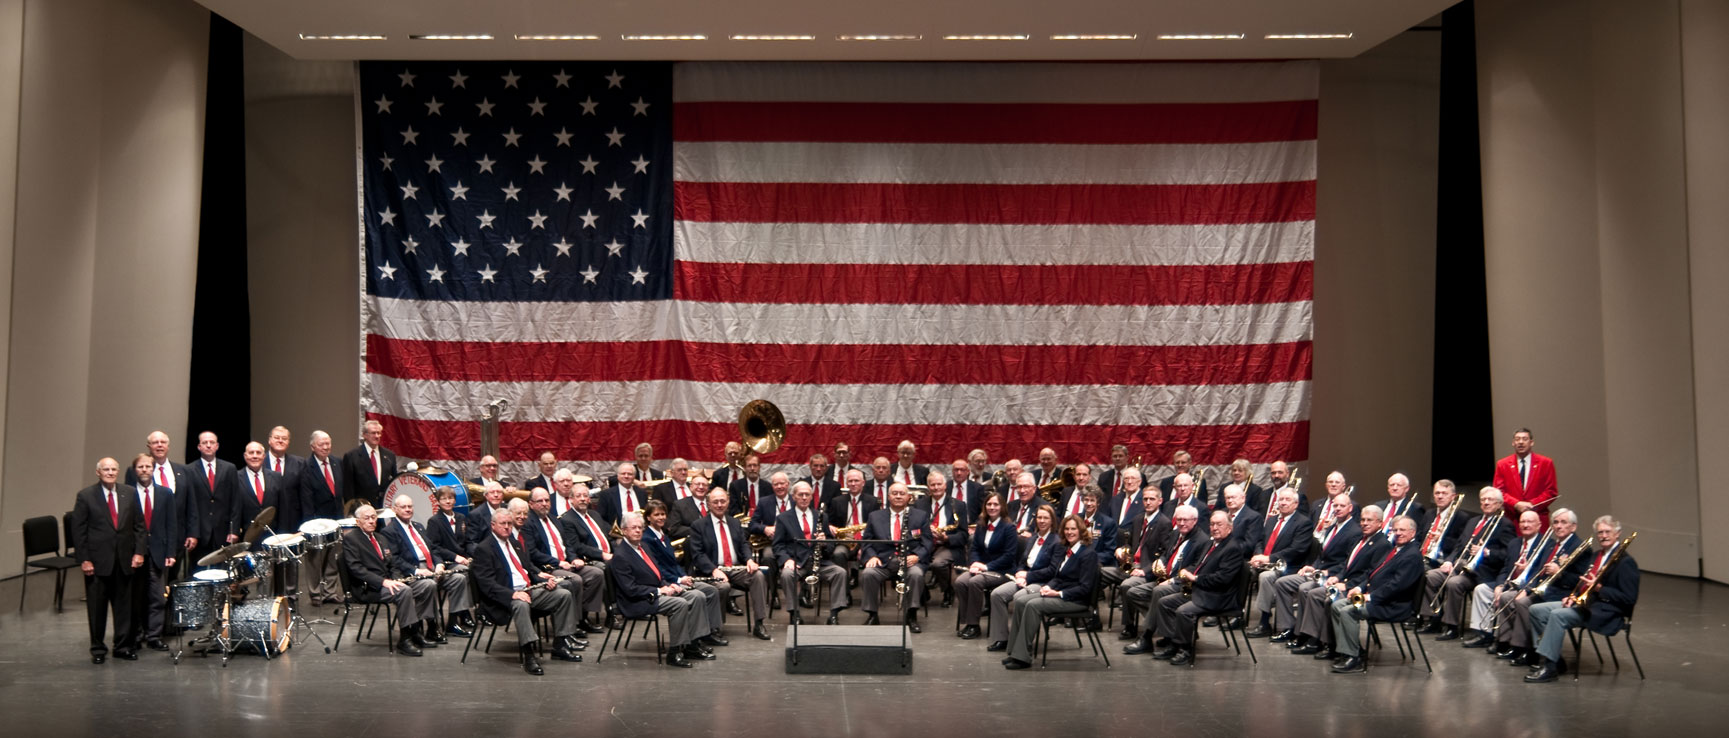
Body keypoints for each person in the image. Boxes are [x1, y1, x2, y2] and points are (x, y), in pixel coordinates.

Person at [469, 503, 582, 674]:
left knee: (563, 594)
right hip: (503, 598)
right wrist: (513, 594)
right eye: (503, 524)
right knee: (521, 604)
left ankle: (560, 644)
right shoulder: (484, 549)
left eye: (509, 523)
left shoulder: (514, 543)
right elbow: (487, 585)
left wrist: (543, 581)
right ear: (493, 526)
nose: (507, 527)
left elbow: (527, 570)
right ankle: (529, 654)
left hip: (528, 589)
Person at [1525, 515, 1639, 683]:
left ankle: (1549, 667)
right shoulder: (1596, 556)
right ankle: (1555, 659)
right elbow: (1583, 583)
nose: (1603, 536)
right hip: (1586, 604)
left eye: (1608, 532)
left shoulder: (1625, 562)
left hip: (1605, 612)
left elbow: (1629, 599)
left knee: (1557, 615)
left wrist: (1600, 588)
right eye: (1600, 532)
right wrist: (1573, 596)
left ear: (1618, 534)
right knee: (1536, 610)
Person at [609, 512, 711, 667]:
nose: (638, 531)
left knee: (697, 595)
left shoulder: (644, 547)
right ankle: (674, 651)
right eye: (634, 528)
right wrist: (659, 591)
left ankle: (692, 645)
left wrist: (667, 584)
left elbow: (656, 573)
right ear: (624, 531)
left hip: (653, 592)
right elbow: (630, 589)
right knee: (679, 604)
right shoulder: (621, 556)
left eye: (640, 528)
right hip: (636, 601)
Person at [1286, 505, 1389, 659]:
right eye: (1362, 520)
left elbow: (1371, 574)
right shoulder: (1360, 539)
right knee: (1312, 593)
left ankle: (1330, 644)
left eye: (1369, 520)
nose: (1364, 523)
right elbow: (1346, 564)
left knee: (1326, 598)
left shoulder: (1382, 544)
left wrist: (1346, 585)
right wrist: (1337, 577)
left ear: (1380, 523)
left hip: (1358, 589)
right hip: (1345, 582)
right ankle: (1312, 638)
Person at [1489, 508, 1589, 665]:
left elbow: (1581, 580)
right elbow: (1538, 572)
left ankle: (1529, 650)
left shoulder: (1580, 547)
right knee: (1511, 597)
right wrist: (1526, 590)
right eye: (1555, 522)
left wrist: (1560, 573)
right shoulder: (1552, 546)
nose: (1559, 526)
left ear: (1573, 527)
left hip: (1562, 593)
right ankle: (1514, 645)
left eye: (1564, 522)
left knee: (1523, 603)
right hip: (1545, 590)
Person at [1146, 510, 1245, 665]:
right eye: (1212, 524)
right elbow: (1199, 566)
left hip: (1218, 596)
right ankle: (1173, 642)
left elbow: (1223, 579)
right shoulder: (1211, 543)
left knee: (1183, 611)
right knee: (1164, 602)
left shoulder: (1232, 548)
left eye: (1219, 524)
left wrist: (1196, 578)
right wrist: (1187, 573)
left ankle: (1185, 649)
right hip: (1202, 590)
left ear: (1229, 528)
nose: (1214, 528)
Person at [1327, 515, 1424, 674]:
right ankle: (1352, 650)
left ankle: (1354, 659)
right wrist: (1359, 588)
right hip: (1377, 600)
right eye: (1395, 530)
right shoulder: (1396, 549)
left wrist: (1369, 597)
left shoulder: (1412, 555)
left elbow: (1396, 587)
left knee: (1348, 611)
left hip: (1391, 606)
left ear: (1413, 533)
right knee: (1338, 605)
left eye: (1402, 530)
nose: (1398, 533)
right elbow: (1373, 572)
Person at [1001, 514, 1100, 669]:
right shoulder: (1067, 549)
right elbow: (1059, 576)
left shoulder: (1088, 554)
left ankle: (1022, 658)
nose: (1069, 532)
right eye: (1066, 529)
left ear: (1081, 531)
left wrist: (1058, 594)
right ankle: (1015, 651)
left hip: (1075, 601)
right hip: (1060, 594)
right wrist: (1047, 586)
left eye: (1073, 529)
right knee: (1020, 601)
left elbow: (1085, 588)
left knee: (1033, 605)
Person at [71, 457, 145, 663]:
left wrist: (139, 552)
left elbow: (139, 525)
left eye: (114, 469)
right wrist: (84, 559)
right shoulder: (86, 496)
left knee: (124, 608)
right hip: (97, 562)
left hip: (124, 561)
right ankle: (98, 649)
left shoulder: (129, 493)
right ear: (98, 472)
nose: (110, 472)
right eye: (106, 469)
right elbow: (79, 532)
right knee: (97, 609)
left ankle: (122, 647)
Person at [1255, 493, 1357, 640]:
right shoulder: (1331, 528)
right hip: (1316, 571)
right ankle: (1287, 627)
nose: (1338, 509)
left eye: (1342, 506)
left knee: (1304, 589)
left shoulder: (1354, 531)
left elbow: (1348, 562)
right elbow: (1321, 556)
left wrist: (1328, 572)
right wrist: (1312, 567)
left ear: (1350, 508)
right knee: (1281, 583)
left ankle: (1305, 634)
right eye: (1335, 505)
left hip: (1331, 576)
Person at [341, 504, 439, 656]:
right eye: (366, 518)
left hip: (389, 582)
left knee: (428, 585)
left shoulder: (380, 537)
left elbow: (392, 564)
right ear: (358, 521)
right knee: (404, 591)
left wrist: (397, 579)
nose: (371, 521)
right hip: (368, 587)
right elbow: (356, 569)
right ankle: (405, 639)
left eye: (373, 517)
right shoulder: (351, 539)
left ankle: (416, 632)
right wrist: (383, 582)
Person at [1424, 487, 1514, 640]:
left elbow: (1508, 554)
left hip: (1484, 572)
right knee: (1431, 575)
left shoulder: (1505, 524)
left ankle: (1451, 626)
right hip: (1462, 567)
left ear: (1499, 504)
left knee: (1454, 583)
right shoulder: (1473, 521)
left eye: (1490, 500)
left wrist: (1487, 552)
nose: (1485, 502)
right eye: (1483, 499)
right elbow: (1459, 546)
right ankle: (1432, 619)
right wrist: (1449, 561)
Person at [1122, 505, 1209, 656]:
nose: (1181, 523)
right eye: (1179, 519)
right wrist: (1159, 563)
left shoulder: (1202, 540)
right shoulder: (1176, 534)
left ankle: (1147, 636)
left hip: (1183, 584)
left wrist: (1173, 580)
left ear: (1194, 520)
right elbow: (1166, 554)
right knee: (1133, 592)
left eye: (1185, 520)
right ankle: (1172, 629)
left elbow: (1195, 568)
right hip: (1164, 578)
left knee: (1159, 591)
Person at [384, 494, 474, 639]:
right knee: (429, 584)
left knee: (459, 578)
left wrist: (439, 564)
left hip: (432, 568)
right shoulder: (390, 531)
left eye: (410, 506)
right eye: (403, 507)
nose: (408, 510)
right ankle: (431, 626)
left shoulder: (418, 526)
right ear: (395, 509)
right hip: (412, 571)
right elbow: (395, 560)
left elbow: (433, 549)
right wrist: (417, 570)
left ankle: (452, 623)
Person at [689, 488, 771, 640]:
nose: (719, 505)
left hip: (735, 569)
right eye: (715, 502)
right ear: (708, 504)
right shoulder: (698, 525)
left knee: (758, 576)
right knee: (723, 587)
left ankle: (759, 623)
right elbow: (697, 554)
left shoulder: (734, 523)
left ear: (727, 503)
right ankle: (715, 627)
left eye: (723, 501)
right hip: (712, 571)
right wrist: (713, 570)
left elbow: (744, 545)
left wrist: (749, 560)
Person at [643, 500, 726, 648]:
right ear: (648, 517)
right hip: (667, 583)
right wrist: (678, 579)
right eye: (657, 515)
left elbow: (674, 564)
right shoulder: (647, 539)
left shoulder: (664, 535)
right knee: (698, 596)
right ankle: (696, 638)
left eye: (663, 514)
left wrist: (684, 576)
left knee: (712, 590)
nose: (661, 517)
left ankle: (710, 632)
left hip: (678, 578)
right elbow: (657, 568)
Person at [1462, 509, 1543, 650]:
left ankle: (1503, 640)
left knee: (1506, 597)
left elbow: (1540, 572)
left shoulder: (1545, 544)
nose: (1525, 524)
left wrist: (1526, 573)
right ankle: (1483, 634)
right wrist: (1499, 585)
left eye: (1530, 521)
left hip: (1527, 586)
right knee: (1481, 589)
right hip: (1510, 583)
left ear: (1539, 525)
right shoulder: (1514, 543)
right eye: (1523, 521)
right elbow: (1505, 569)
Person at [858, 483, 934, 631]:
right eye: (894, 493)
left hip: (910, 562)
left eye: (901, 493)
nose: (898, 496)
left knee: (916, 574)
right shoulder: (875, 516)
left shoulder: (920, 516)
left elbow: (928, 542)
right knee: (868, 573)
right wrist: (871, 557)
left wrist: (917, 556)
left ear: (909, 497)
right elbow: (866, 542)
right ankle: (872, 614)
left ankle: (911, 615)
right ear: (888, 496)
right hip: (884, 561)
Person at [985, 507, 1059, 652]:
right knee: (997, 595)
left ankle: (1022, 641)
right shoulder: (1032, 539)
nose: (1042, 521)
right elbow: (1021, 562)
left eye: (1045, 518)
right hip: (1025, 579)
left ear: (1052, 521)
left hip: (1042, 582)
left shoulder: (1057, 542)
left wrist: (1028, 576)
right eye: (1039, 518)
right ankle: (1002, 638)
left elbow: (1052, 570)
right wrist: (1020, 573)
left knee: (1020, 598)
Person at [772, 481, 845, 624]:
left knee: (840, 573)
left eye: (807, 495)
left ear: (812, 497)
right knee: (787, 574)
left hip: (819, 562)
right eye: (801, 495)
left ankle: (834, 614)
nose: (804, 498)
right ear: (794, 497)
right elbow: (777, 545)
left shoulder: (821, 516)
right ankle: (795, 613)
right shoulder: (783, 518)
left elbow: (831, 546)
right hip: (797, 562)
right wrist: (786, 560)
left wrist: (824, 542)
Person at [1244, 489, 1312, 639]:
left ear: (1296, 504)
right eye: (1281, 500)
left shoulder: (1303, 522)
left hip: (1289, 566)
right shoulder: (1271, 520)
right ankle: (1235, 613)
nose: (1283, 503)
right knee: (1241, 568)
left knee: (1266, 577)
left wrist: (1268, 559)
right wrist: (1258, 555)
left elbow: (1297, 550)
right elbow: (1260, 541)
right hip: (1265, 561)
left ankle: (1264, 621)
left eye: (1287, 500)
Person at [128, 454, 179, 652]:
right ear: (135, 470)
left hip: (158, 552)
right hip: (135, 553)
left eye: (148, 466)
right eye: (140, 466)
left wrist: (170, 552)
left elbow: (171, 525)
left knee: (157, 596)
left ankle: (154, 636)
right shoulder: (128, 493)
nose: (144, 470)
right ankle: (137, 634)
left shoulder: (165, 494)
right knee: (136, 596)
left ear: (153, 469)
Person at [1112, 488, 1175, 639]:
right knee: (1100, 571)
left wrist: (1145, 571)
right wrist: (1121, 550)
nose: (1147, 502)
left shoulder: (1164, 523)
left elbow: (1165, 555)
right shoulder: (1138, 518)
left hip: (1147, 568)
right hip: (1131, 564)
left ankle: (1130, 626)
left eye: (1152, 499)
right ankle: (1091, 617)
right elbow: (1132, 545)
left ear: (1160, 501)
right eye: (1145, 499)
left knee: (1127, 585)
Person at [954, 492, 1019, 639]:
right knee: (960, 582)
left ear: (1002, 507)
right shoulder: (981, 524)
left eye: (996, 504)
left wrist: (986, 567)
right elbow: (975, 548)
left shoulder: (1009, 528)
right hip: (982, 568)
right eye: (989, 504)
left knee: (975, 582)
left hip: (1003, 570)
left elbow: (1009, 557)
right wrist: (975, 563)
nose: (992, 507)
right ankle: (967, 620)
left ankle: (974, 625)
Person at [555, 478, 616, 633]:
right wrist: (603, 554)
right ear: (571, 499)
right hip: (588, 559)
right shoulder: (567, 519)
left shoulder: (594, 515)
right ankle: (609, 611)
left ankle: (633, 604)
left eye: (585, 496)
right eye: (579, 496)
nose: (583, 499)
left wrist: (618, 551)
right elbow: (577, 546)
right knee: (606, 567)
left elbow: (608, 537)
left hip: (606, 555)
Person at [299, 430, 346, 605]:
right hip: (316, 522)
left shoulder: (337, 462)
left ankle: (330, 592)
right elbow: (306, 498)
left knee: (333, 558)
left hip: (335, 520)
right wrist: (309, 525)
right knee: (315, 560)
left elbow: (339, 494)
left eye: (328, 443)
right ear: (313, 446)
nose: (326, 447)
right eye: (321, 444)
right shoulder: (306, 467)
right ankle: (316, 594)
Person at [917, 470, 969, 607]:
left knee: (937, 564)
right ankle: (923, 593)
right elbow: (913, 529)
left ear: (945, 485)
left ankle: (948, 590)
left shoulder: (958, 505)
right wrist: (926, 531)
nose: (936, 488)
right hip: (924, 544)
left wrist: (946, 537)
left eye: (939, 484)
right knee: (910, 562)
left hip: (947, 545)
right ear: (928, 487)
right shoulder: (919, 505)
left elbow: (964, 534)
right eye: (932, 485)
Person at [186, 431, 239, 567]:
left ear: (217, 446)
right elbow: (189, 504)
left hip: (223, 531)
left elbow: (235, 501)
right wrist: (192, 532)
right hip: (200, 532)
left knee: (223, 573)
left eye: (212, 442)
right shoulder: (189, 470)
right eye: (205, 443)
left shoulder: (229, 468)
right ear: (199, 447)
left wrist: (233, 530)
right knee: (197, 571)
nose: (208, 445)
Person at [1492, 428, 1559, 525]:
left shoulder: (1545, 463)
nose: (1520, 442)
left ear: (1531, 442)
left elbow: (1551, 491)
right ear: (1513, 443)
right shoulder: (1502, 464)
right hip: (1512, 519)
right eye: (1517, 439)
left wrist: (1531, 504)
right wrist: (1516, 504)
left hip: (1537, 518)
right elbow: (1498, 492)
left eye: (1524, 439)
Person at [232, 442, 286, 545]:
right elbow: (233, 509)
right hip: (247, 537)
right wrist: (234, 532)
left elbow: (283, 507)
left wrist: (283, 533)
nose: (255, 456)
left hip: (273, 536)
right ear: (245, 456)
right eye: (251, 453)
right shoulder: (235, 478)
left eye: (258, 453)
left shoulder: (276, 477)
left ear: (264, 456)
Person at [264, 426, 307, 529]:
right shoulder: (259, 462)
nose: (280, 441)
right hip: (267, 521)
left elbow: (304, 495)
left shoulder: (299, 463)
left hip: (293, 521)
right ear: (269, 440)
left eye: (284, 438)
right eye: (277, 437)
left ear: (288, 442)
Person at [1373, 474, 1424, 540]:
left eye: (1399, 485)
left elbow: (1417, 535)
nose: (1395, 488)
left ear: (1407, 489)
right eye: (1392, 485)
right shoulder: (1378, 506)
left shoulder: (1415, 508)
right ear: (1388, 488)